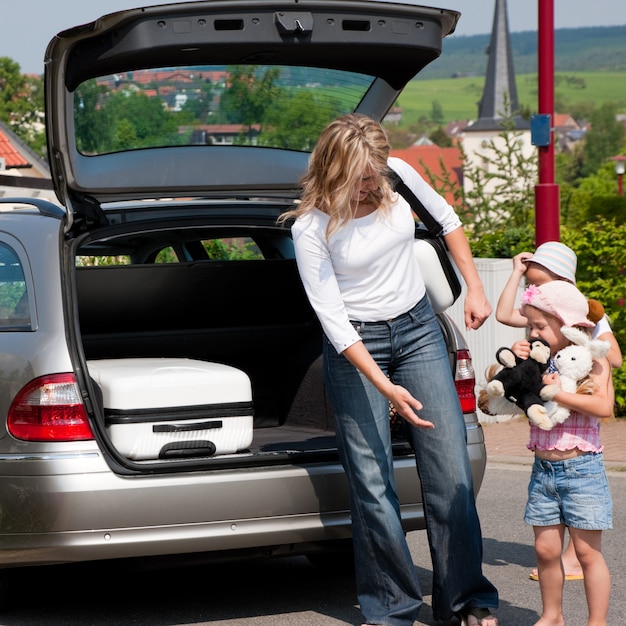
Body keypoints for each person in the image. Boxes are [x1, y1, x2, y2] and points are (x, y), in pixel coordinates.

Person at [280, 113, 498, 626]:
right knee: (372, 483)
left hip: (419, 329)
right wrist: (386, 388)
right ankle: (393, 609)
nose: (370, 184)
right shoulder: (311, 227)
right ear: (333, 170)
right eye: (358, 177)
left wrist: (477, 287)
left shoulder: (397, 176)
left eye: (374, 172)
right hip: (358, 346)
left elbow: (447, 220)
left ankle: (466, 600)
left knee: (452, 475)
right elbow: (331, 317)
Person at [495, 241, 622, 582]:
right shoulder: (540, 315)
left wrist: (584, 365)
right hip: (548, 450)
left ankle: (575, 561)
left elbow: (614, 358)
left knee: (584, 542)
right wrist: (515, 274)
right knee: (552, 532)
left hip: (579, 431)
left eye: (542, 281)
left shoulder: (586, 316)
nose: (534, 288)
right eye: (531, 282)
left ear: (565, 282)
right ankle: (562, 585)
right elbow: (504, 314)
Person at [517, 281, 613, 626]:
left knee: (587, 553)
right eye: (530, 326)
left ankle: (596, 621)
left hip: (582, 469)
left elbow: (603, 405)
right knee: (545, 550)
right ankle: (552, 615)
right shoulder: (541, 363)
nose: (532, 332)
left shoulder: (592, 362)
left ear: (569, 326)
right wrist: (519, 364)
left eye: (540, 326)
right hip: (543, 470)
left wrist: (557, 395)